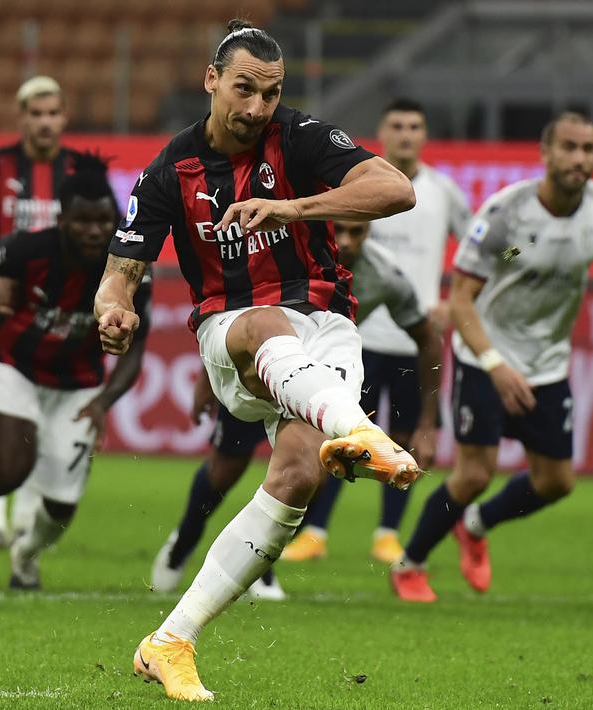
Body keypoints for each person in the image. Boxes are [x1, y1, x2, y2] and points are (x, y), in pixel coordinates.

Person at [95, 20, 420, 701]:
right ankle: (358, 429)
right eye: (243, 89)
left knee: (298, 476)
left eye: (270, 93)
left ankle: (170, 641)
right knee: (267, 323)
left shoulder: (297, 139)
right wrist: (112, 307)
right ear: (212, 80)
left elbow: (396, 190)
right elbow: (121, 270)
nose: (255, 108)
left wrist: (292, 208)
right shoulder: (169, 169)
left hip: (326, 327)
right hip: (232, 331)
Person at [389, 110, 593, 603]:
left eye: (588, 149)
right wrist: (495, 365)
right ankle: (410, 564)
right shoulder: (508, 215)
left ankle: (476, 526)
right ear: (545, 153)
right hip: (487, 356)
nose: (579, 159)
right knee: (475, 473)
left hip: (547, 364)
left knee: (556, 481)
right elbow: (462, 297)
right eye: (568, 147)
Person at [149, 218, 442, 599]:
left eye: (359, 233)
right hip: (261, 374)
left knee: (307, 472)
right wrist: (210, 380)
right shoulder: (285, 252)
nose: (348, 242)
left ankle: (260, 565)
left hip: (316, 382)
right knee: (225, 469)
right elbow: (231, 312)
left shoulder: (385, 275)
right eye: (341, 231)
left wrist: (428, 421)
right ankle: (184, 539)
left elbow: (427, 338)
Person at [283, 96, 469, 564]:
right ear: (383, 134)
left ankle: (388, 533)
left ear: (424, 135)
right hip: (355, 336)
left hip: (410, 333)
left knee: (406, 438)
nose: (406, 134)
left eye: (415, 126)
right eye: (398, 126)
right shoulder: (362, 184)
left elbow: (495, 254)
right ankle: (316, 533)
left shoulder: (444, 192)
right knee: (341, 439)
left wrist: (462, 300)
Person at [0, 156, 151, 587]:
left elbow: (137, 348)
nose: (95, 230)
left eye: (103, 220)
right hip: (16, 368)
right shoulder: (25, 248)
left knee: (61, 506)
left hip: (78, 385)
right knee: (8, 471)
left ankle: (26, 553)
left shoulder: (129, 272)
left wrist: (102, 402)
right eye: (83, 220)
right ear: (63, 218)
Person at [0, 76, 92, 551]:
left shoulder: (80, 174)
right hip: (5, 311)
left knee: (40, 434)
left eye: (53, 113)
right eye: (36, 113)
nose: (45, 122)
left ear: (65, 116)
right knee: (5, 417)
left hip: (66, 322)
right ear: (22, 117)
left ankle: (20, 529)